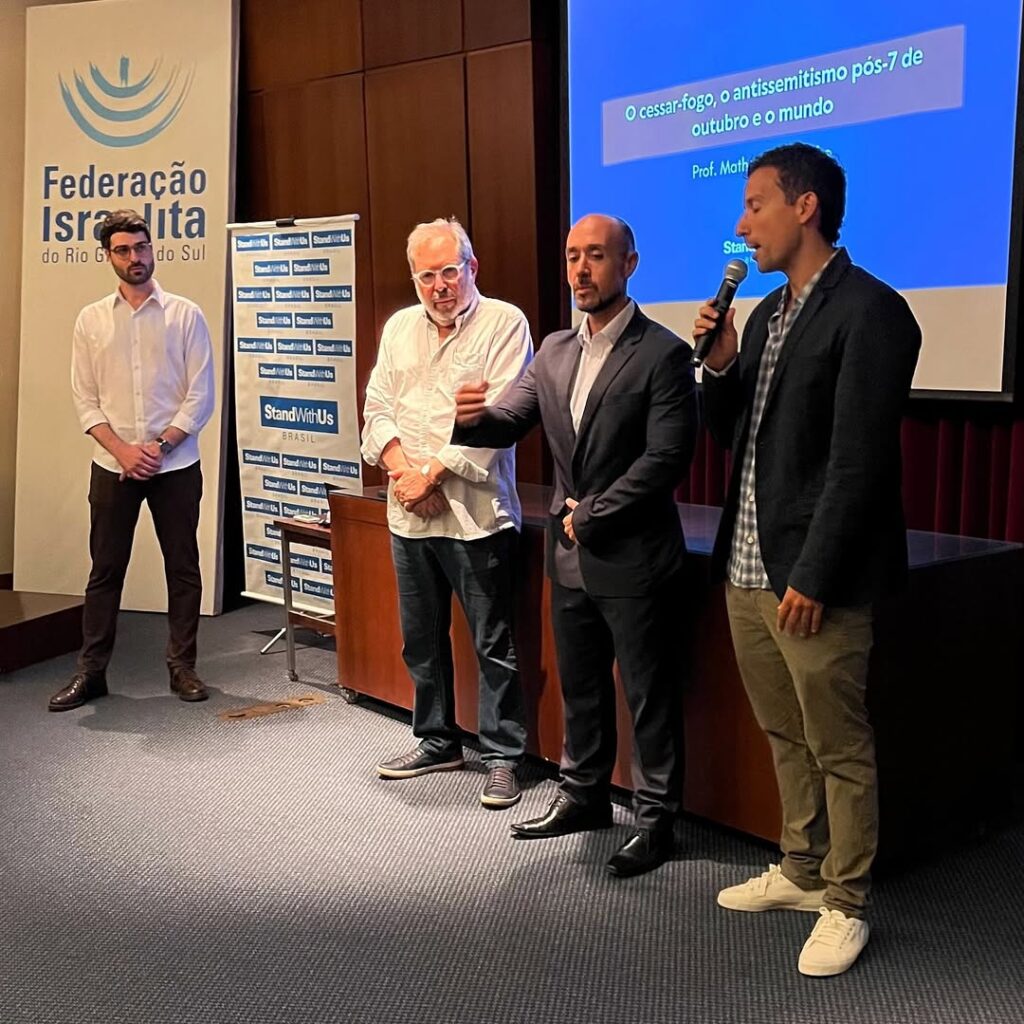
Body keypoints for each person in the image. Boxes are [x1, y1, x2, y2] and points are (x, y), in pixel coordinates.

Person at [695, 143, 921, 976]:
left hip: (812, 577)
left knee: (839, 745)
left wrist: (816, 576)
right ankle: (801, 868)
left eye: (755, 204)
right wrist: (720, 365)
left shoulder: (873, 311)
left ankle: (847, 901)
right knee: (784, 731)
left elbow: (859, 464)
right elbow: (737, 439)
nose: (742, 223)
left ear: (806, 207)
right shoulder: (763, 316)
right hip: (747, 565)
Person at [454, 214, 698, 877]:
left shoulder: (663, 353)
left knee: (647, 696)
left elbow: (666, 458)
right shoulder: (555, 349)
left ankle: (655, 820)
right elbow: (508, 420)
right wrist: (470, 416)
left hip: (635, 557)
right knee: (582, 688)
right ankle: (584, 796)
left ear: (629, 264)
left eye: (595, 256)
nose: (580, 270)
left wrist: (594, 514)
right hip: (570, 559)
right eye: (571, 257)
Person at [361, 217, 533, 809]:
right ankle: (437, 740)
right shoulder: (398, 328)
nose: (439, 286)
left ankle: (503, 757)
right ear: (414, 279)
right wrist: (404, 473)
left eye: (449, 272)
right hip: (408, 513)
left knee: (493, 644)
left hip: (475, 516)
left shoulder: (504, 323)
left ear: (471, 268)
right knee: (421, 639)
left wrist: (430, 474)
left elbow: (500, 419)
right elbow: (377, 407)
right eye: (426, 276)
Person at [50, 208, 216, 712]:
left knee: (183, 568)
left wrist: (159, 447)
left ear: (152, 248)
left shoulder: (186, 314)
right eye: (123, 250)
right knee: (105, 570)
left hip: (176, 466)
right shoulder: (91, 319)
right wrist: (123, 450)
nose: (135, 257)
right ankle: (91, 672)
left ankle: (182, 667)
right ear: (108, 256)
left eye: (141, 247)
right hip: (112, 467)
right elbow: (85, 400)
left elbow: (200, 395)